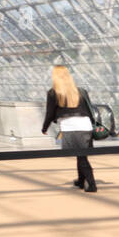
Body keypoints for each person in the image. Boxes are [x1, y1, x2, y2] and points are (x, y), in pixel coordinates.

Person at [41, 65, 97, 193]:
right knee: (80, 155)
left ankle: (92, 183)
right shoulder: (80, 91)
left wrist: (44, 128)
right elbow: (90, 110)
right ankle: (80, 181)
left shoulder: (53, 92)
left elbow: (49, 113)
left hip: (70, 126)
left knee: (82, 157)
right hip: (85, 125)